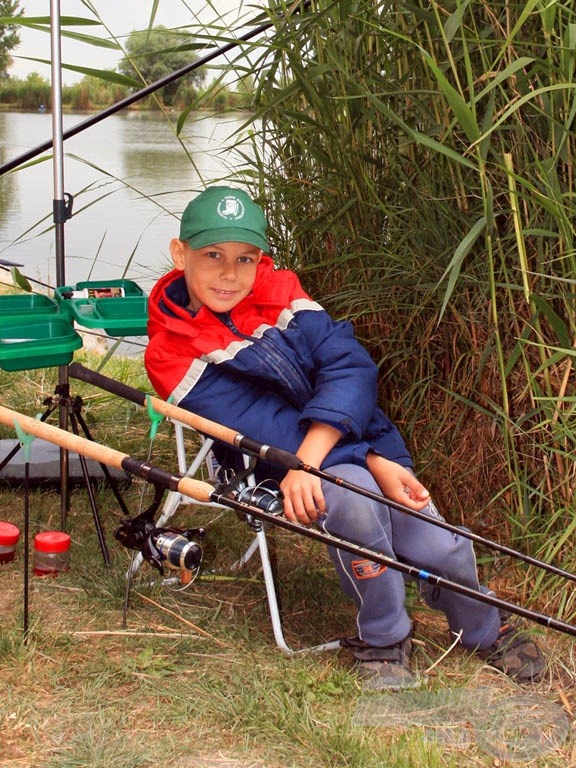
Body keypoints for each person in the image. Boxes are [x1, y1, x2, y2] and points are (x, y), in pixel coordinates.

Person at [144, 185, 546, 688]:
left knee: (441, 546)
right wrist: (371, 459)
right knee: (358, 504)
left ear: (260, 259)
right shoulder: (169, 354)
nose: (230, 273)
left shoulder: (280, 289)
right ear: (180, 253)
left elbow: (351, 366)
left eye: (245, 258)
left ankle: (483, 628)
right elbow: (266, 423)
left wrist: (373, 456)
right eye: (212, 256)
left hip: (349, 438)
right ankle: (383, 636)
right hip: (273, 462)